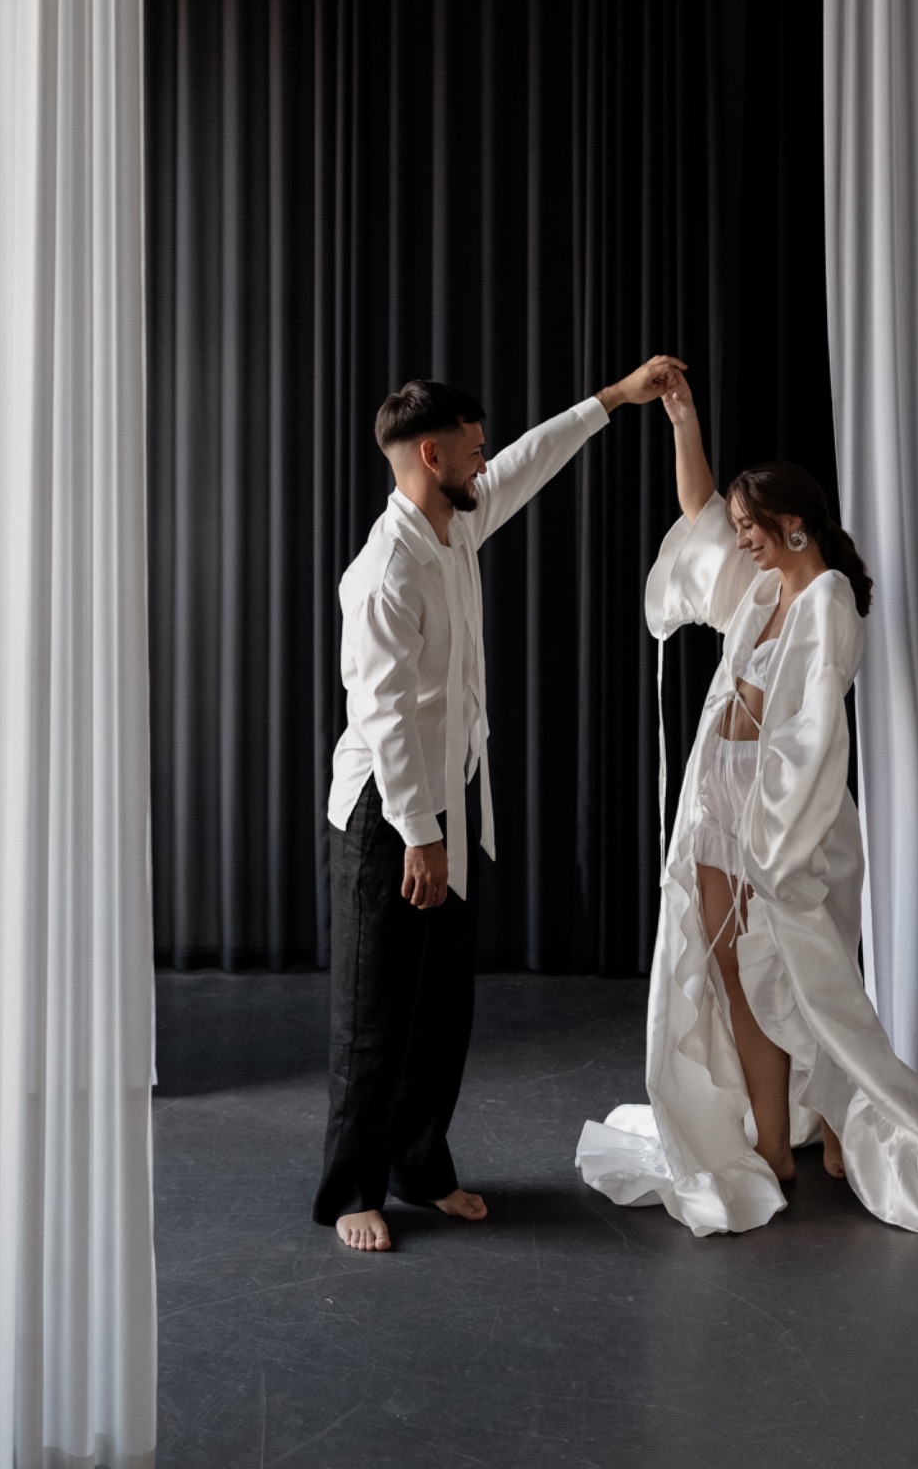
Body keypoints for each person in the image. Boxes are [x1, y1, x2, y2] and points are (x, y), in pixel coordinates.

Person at [578, 362, 918, 1237]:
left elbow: (813, 735)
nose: (741, 539)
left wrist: (776, 840)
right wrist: (682, 420)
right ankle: (772, 1140)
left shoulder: (827, 599)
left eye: (754, 527)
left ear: (793, 523)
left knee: (805, 975)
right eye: (741, 530)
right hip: (717, 797)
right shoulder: (760, 588)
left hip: (783, 818)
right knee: (730, 968)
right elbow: (698, 514)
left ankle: (841, 1122)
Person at [315, 359, 672, 1252]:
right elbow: (385, 716)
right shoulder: (384, 570)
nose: (486, 462)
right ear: (430, 457)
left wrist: (613, 400)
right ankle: (353, 1191)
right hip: (389, 814)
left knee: (442, 1008)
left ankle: (419, 1166)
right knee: (374, 1012)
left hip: (448, 797)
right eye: (472, 451)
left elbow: (528, 462)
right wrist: (420, 836)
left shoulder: (457, 522)